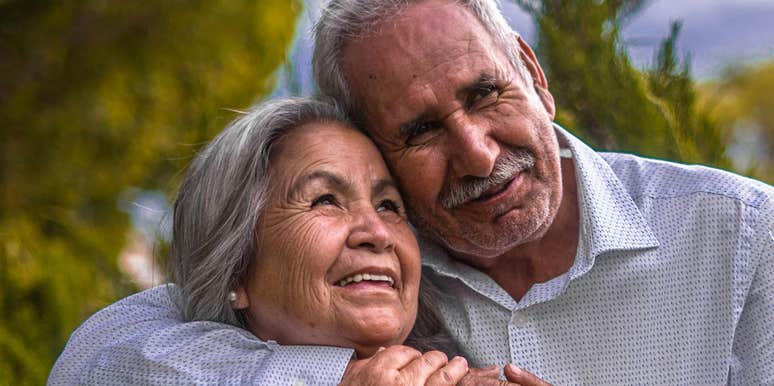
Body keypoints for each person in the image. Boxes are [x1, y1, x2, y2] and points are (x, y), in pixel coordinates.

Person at [50, 0, 773, 384]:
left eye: (486, 93)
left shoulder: (745, 237)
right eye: (421, 130)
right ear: (376, 145)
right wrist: (338, 381)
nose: (478, 153)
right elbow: (101, 360)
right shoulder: (373, 270)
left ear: (534, 75)